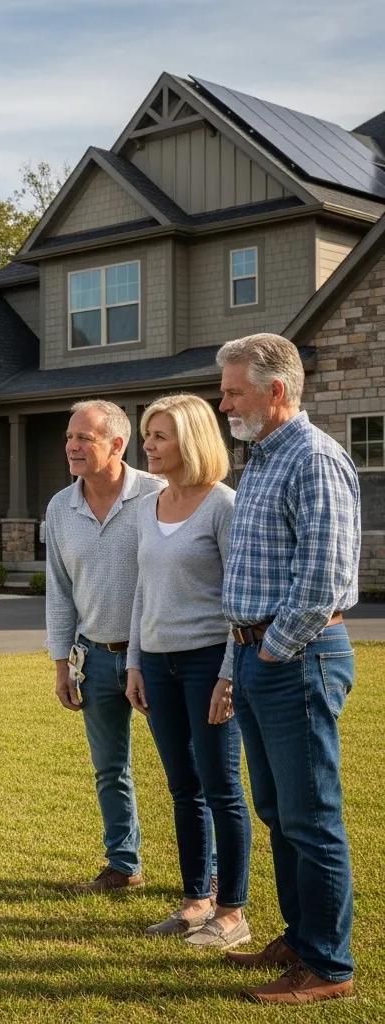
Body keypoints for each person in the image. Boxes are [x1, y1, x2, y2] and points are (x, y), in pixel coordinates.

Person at [217, 333, 359, 1004]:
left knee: (310, 815)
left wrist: (272, 649)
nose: (223, 405)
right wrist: (244, 655)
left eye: (233, 392)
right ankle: (301, 940)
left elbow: (322, 578)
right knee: (278, 809)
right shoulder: (264, 459)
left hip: (296, 657)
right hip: (258, 655)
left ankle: (328, 967)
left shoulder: (314, 459)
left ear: (276, 391)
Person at [125, 393, 251, 949]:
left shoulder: (223, 506)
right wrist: (134, 661)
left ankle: (232, 911)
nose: (148, 446)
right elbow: (142, 590)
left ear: (191, 441)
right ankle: (195, 900)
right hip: (157, 663)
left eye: (159, 436)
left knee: (221, 788)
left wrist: (228, 673)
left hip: (207, 663)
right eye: (147, 435)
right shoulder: (148, 505)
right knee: (183, 788)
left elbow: (239, 598)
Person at [45, 399, 164, 891]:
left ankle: (209, 876)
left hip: (157, 658)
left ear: (117, 444)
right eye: (69, 437)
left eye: (84, 438)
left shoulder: (158, 494)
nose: (72, 447)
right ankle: (123, 865)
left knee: (186, 771)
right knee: (109, 769)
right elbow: (59, 590)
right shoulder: (60, 506)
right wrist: (61, 664)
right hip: (92, 658)